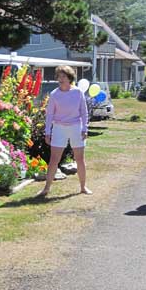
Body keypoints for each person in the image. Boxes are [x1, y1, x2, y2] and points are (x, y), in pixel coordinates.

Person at [37, 65, 92, 197]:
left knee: (80, 159)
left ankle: (83, 187)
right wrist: (48, 132)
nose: (60, 79)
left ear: (69, 78)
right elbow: (50, 114)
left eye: (63, 76)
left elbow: (84, 112)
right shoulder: (54, 94)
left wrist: (85, 128)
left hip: (76, 128)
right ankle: (46, 188)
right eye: (59, 77)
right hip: (59, 128)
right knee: (54, 160)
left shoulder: (78, 92)